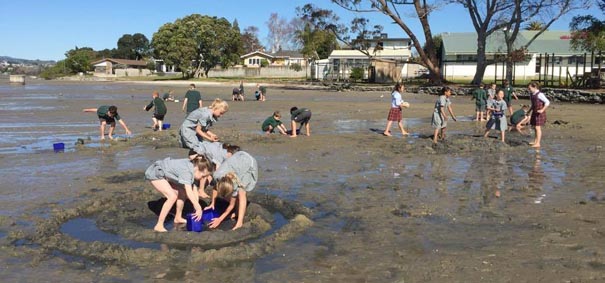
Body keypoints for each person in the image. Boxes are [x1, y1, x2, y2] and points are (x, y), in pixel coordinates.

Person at [144, 155, 215, 232]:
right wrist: (198, 208)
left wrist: (196, 208)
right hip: (156, 172)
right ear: (198, 169)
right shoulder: (186, 171)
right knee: (172, 197)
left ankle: (178, 217)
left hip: (166, 174)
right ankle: (159, 225)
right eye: (203, 176)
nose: (203, 179)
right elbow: (189, 191)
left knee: (182, 193)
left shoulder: (193, 169)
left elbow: (194, 190)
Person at [207, 151, 258, 230]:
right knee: (237, 193)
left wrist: (220, 219)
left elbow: (231, 205)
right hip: (238, 158)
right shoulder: (217, 176)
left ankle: (239, 222)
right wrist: (212, 203)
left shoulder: (233, 184)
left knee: (241, 192)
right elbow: (214, 187)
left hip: (248, 164)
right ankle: (237, 212)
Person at [527, 82, 550, 148]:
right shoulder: (532, 94)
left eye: (530, 88)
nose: (529, 89)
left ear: (535, 87)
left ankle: (538, 143)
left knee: (537, 128)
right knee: (534, 127)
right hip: (534, 112)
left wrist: (542, 109)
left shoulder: (540, 94)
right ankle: (535, 141)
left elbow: (547, 102)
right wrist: (529, 111)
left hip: (540, 113)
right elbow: (533, 105)